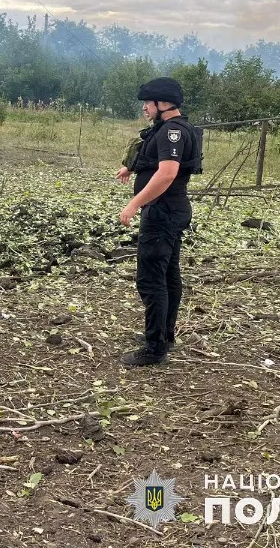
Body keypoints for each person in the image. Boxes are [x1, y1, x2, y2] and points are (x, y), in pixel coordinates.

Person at [115, 77, 201, 367]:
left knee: (151, 280)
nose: (144, 108)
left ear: (163, 104)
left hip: (162, 212)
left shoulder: (171, 132)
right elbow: (155, 160)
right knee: (167, 276)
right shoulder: (174, 129)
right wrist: (132, 167)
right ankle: (164, 336)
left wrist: (134, 203)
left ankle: (154, 349)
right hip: (173, 210)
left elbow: (166, 174)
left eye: (147, 103)